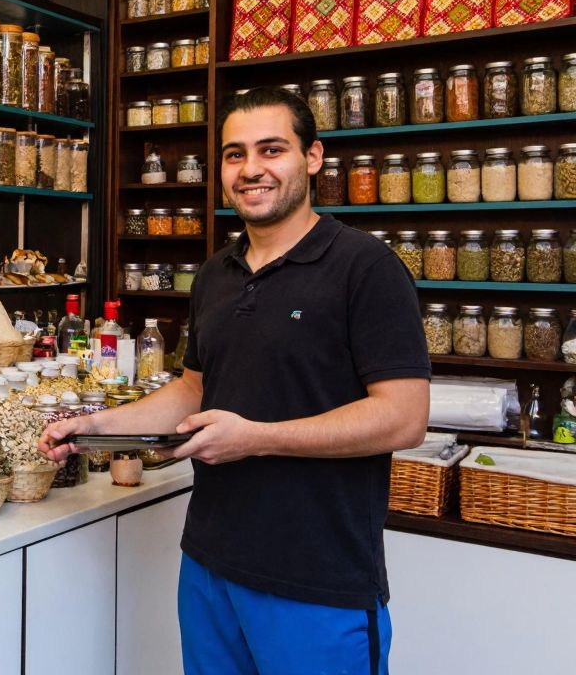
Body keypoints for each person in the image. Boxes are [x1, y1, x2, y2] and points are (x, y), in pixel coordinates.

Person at [40, 87, 429, 675]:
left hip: (317, 580)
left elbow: (403, 417)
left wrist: (256, 437)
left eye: (271, 150)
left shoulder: (366, 269)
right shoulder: (215, 275)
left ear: (314, 158)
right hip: (209, 565)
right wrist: (94, 425)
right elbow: (194, 390)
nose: (251, 170)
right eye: (234, 154)